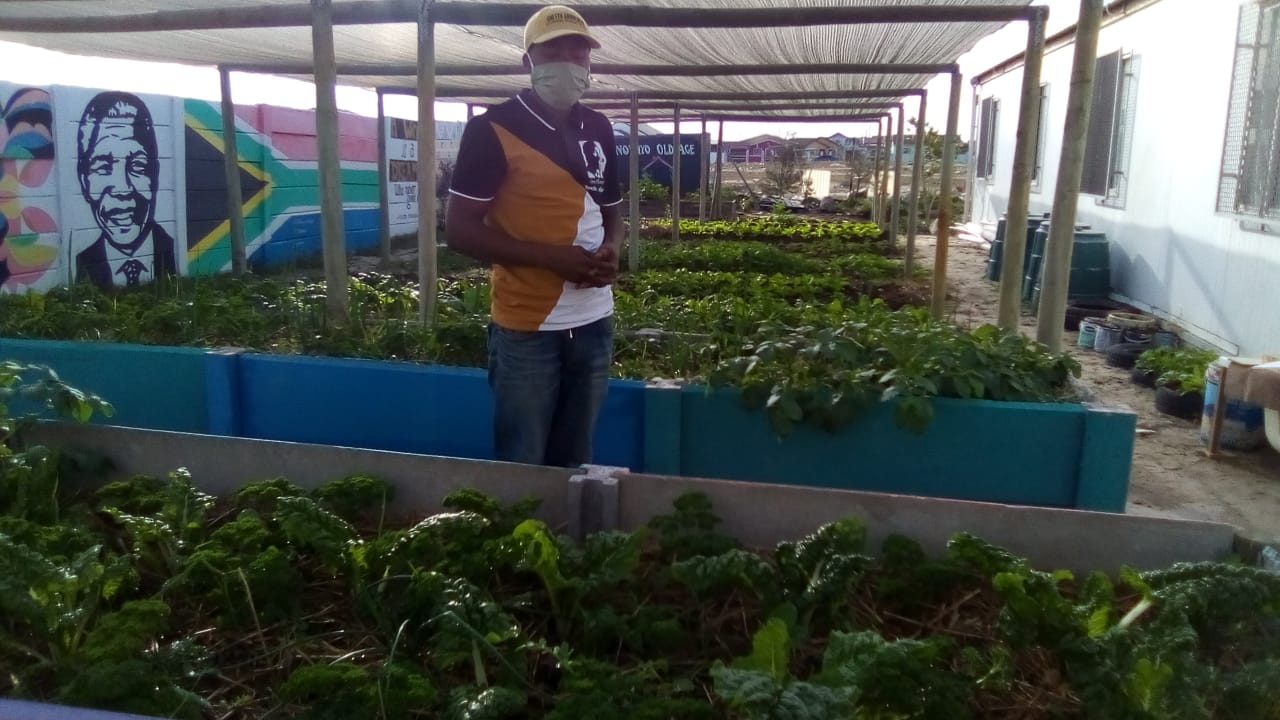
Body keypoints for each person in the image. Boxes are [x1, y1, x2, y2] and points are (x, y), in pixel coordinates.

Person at [446, 4, 623, 468]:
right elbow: (460, 231)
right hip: (527, 326)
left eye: (579, 51)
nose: (569, 60)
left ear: (589, 63)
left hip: (594, 320)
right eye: (554, 50)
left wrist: (611, 250)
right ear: (528, 62)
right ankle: (524, 540)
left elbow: (613, 211)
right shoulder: (492, 129)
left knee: (578, 452)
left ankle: (569, 540)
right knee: (522, 456)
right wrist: (551, 259)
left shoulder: (599, 128)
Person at [74, 91, 176, 288]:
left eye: (137, 166)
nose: (122, 189)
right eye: (103, 167)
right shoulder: (80, 266)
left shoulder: (175, 250)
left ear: (155, 175)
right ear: (84, 182)